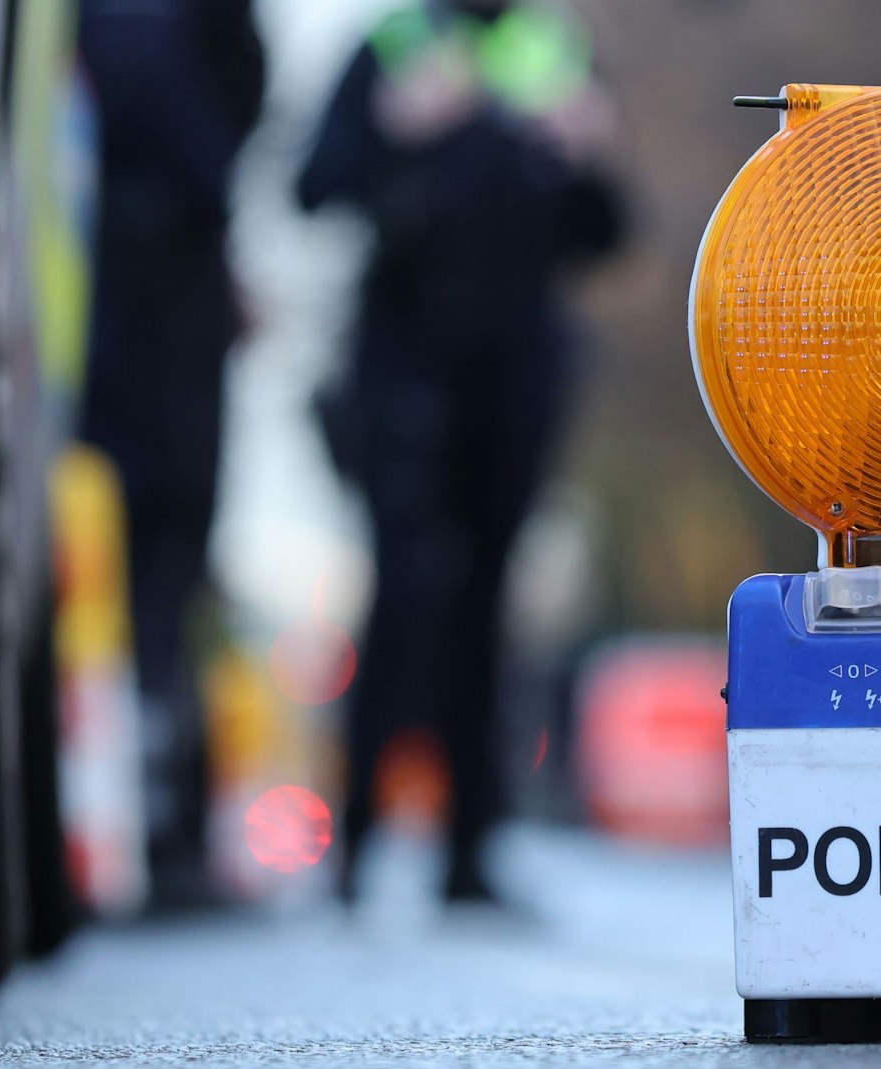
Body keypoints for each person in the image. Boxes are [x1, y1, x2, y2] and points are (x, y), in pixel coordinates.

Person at [296, 0, 622, 903]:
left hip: (513, 381)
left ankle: (469, 854)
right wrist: (395, 131)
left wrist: (588, 152)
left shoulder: (553, 54)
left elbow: (604, 232)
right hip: (404, 374)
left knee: (485, 607)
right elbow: (314, 186)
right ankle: (356, 843)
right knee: (403, 599)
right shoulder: (393, 48)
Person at [78, 0, 265, 908]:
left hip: (137, 291)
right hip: (146, 306)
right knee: (151, 575)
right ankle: (154, 830)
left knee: (150, 579)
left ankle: (152, 824)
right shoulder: (150, 28)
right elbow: (201, 116)